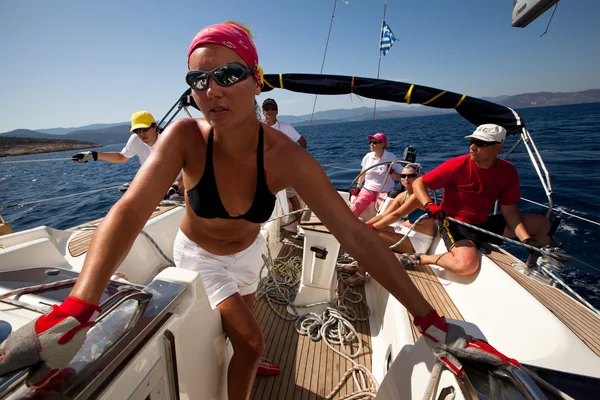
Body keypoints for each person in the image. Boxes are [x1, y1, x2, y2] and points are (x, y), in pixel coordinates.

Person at [0, 22, 515, 399]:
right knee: (250, 338)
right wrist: (77, 310)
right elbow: (131, 210)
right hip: (198, 254)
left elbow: (356, 238)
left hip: (247, 258)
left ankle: (244, 360)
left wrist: (429, 320)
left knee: (243, 334)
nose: (211, 90)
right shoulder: (183, 137)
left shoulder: (287, 158)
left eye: (227, 74)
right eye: (198, 81)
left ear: (256, 79)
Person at [411, 124, 551, 276]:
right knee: (467, 266)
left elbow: (509, 209)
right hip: (453, 224)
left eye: (480, 143)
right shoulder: (457, 166)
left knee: (542, 224)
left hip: (482, 224)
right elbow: (419, 182)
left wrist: (526, 240)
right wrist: (429, 205)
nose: (472, 147)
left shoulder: (508, 172)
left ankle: (535, 269)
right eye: (472, 141)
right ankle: (423, 259)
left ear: (498, 147)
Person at [342, 163, 435, 286]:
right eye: (403, 175)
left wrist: (372, 228)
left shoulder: (418, 196)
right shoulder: (403, 195)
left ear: (418, 178)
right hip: (406, 232)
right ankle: (360, 263)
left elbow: (395, 216)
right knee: (368, 229)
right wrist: (364, 225)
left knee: (374, 235)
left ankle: (361, 274)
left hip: (418, 241)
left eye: (411, 176)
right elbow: (383, 215)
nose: (406, 179)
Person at [71, 111, 183, 198]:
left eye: (144, 129)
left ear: (154, 127)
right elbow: (122, 157)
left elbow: (193, 170)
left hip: (182, 184)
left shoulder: (171, 141)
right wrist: (93, 155)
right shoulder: (135, 140)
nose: (141, 133)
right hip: (159, 187)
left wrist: (176, 186)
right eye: (137, 130)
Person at [262, 98, 307, 226]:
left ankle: (300, 227)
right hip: (265, 170)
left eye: (272, 108)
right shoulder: (259, 127)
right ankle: (265, 227)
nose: (269, 111)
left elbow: (302, 142)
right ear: (263, 112)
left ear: (277, 111)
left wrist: (294, 161)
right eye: (266, 109)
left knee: (292, 198)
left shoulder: (286, 127)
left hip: (285, 170)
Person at [351, 133, 401, 217]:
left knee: (384, 209)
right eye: (370, 142)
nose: (371, 144)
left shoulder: (391, 157)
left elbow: (399, 178)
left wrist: (392, 172)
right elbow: (362, 173)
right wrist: (358, 187)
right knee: (358, 204)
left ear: (382, 144)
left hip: (385, 190)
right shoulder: (368, 157)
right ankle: (349, 224)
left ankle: (377, 227)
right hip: (368, 189)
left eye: (374, 142)